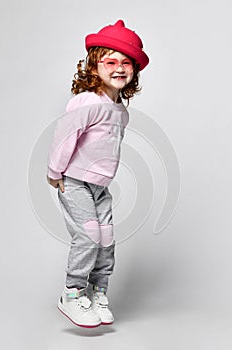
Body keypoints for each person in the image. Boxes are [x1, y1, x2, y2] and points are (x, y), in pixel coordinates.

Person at [47, 19, 149, 328]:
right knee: (89, 237)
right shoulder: (87, 102)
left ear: (134, 71)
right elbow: (66, 136)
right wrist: (55, 171)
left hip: (100, 187)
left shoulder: (121, 111)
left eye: (126, 63)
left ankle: (96, 292)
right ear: (95, 66)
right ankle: (72, 292)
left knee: (106, 239)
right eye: (111, 61)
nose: (119, 68)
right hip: (75, 182)